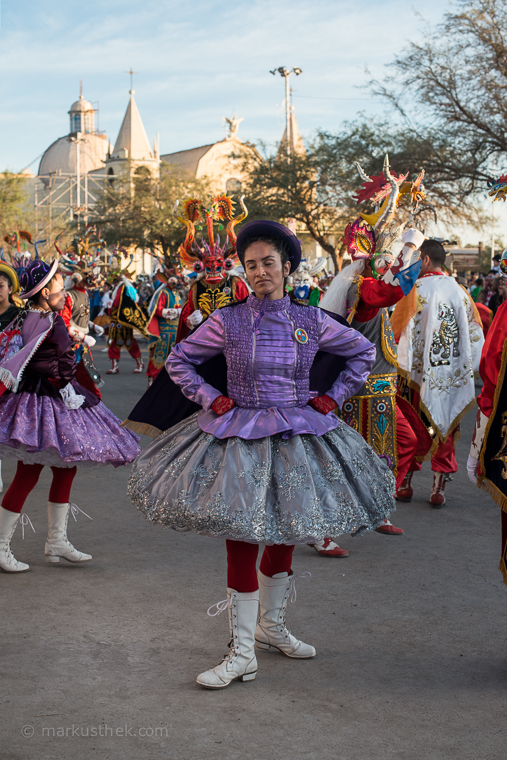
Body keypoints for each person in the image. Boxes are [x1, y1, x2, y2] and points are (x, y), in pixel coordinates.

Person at [127, 219, 396, 690]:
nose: (259, 272)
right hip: (238, 434)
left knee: (286, 530)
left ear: (286, 266)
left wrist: (334, 397)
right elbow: (178, 359)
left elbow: (360, 353)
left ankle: (271, 628)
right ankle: (243, 652)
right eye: (250, 265)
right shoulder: (226, 320)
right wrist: (211, 398)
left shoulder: (312, 320)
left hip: (299, 432)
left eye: (267, 263)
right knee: (241, 535)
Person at [0, 260, 141, 573]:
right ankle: (2, 546)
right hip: (52, 395)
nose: (64, 293)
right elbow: (62, 359)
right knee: (28, 473)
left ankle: (57, 540)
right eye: (60, 287)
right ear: (45, 291)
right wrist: (66, 387)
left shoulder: (28, 316)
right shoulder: (50, 319)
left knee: (64, 470)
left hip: (33, 394)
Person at [317, 157, 424, 553]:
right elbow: (394, 290)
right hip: (356, 391)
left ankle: (376, 509)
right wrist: (412, 247)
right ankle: (322, 530)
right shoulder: (361, 290)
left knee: (398, 445)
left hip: (380, 390)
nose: (387, 262)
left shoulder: (365, 287)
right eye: (383, 256)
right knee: (341, 459)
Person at [395, 239, 484, 506]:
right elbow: (476, 334)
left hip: (418, 377)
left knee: (415, 423)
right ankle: (438, 489)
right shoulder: (460, 292)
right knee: (446, 424)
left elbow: (396, 333)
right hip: (452, 374)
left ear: (424, 260)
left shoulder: (413, 291)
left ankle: (406, 484)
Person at [174, 195, 249, 343]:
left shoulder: (236, 283)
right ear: (200, 264)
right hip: (203, 342)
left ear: (226, 263)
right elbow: (187, 311)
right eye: (208, 263)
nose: (213, 266)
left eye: (217, 262)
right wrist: (190, 321)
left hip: (233, 342)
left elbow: (250, 310)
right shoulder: (196, 287)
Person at [146, 272, 182, 386]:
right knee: (158, 357)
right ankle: (152, 382)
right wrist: (177, 312)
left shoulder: (176, 292)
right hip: (164, 331)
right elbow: (158, 310)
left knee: (173, 358)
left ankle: (168, 384)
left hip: (175, 330)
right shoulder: (164, 292)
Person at [107, 272, 146, 375]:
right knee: (114, 341)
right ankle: (114, 366)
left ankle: (140, 362)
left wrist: (111, 305)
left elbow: (130, 299)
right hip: (116, 319)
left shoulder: (125, 287)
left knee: (129, 341)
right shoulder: (120, 287)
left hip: (122, 319)